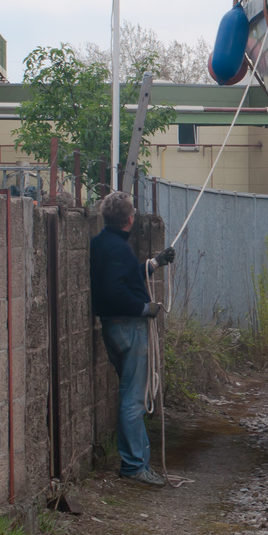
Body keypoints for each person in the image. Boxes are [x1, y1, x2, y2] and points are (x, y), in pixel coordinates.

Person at [89, 191, 176, 486]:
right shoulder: (118, 248)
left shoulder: (103, 243)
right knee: (133, 398)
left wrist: (154, 264)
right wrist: (144, 308)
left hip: (114, 327)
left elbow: (122, 278)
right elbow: (116, 291)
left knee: (129, 393)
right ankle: (135, 465)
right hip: (128, 326)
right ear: (129, 219)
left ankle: (135, 462)